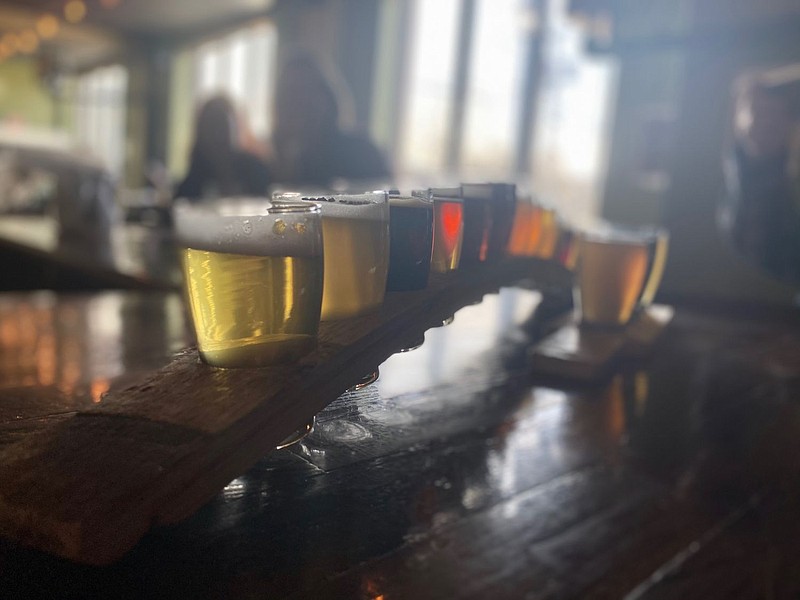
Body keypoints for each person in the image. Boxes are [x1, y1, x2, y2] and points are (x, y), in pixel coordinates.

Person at [270, 53, 391, 187]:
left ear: (327, 97)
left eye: (306, 91)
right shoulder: (273, 159)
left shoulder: (360, 153)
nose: (297, 103)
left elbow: (383, 200)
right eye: (289, 93)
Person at [723, 78, 800, 282]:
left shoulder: (792, 180)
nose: (766, 123)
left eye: (775, 115)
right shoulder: (723, 174)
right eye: (758, 112)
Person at [175, 95, 270, 201]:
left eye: (222, 126)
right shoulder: (191, 185)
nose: (218, 135)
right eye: (212, 127)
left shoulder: (256, 171)